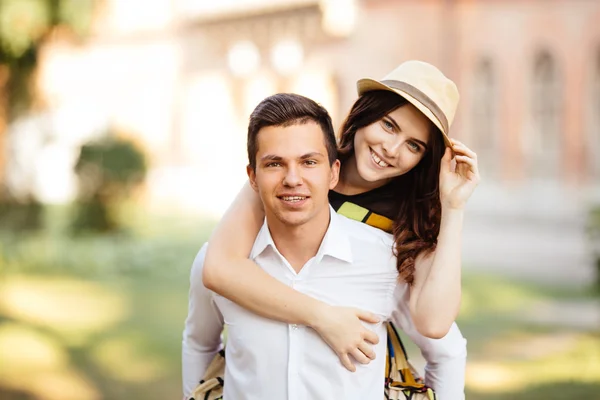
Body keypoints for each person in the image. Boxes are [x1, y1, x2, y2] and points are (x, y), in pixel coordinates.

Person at [182, 93, 467, 399]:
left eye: (414, 145)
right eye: (388, 125)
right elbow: (215, 275)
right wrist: (325, 317)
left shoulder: (393, 247)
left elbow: (441, 338)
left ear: (331, 172)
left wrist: (453, 206)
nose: (391, 148)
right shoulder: (283, 170)